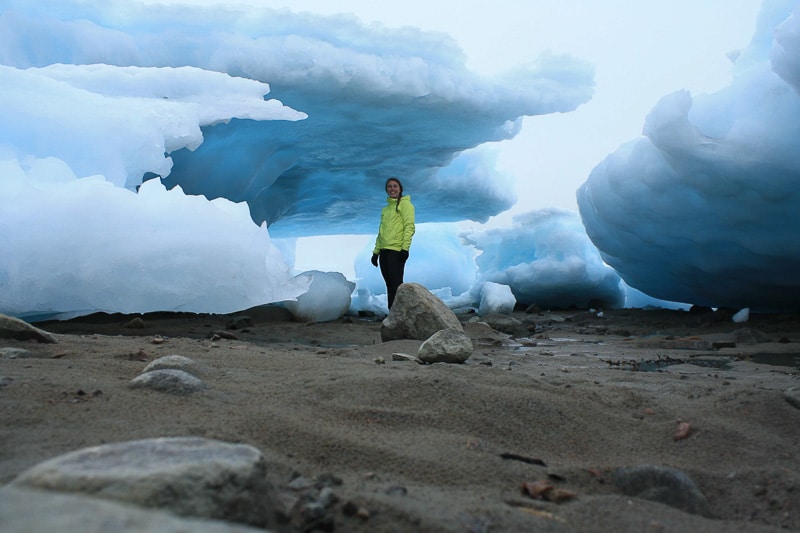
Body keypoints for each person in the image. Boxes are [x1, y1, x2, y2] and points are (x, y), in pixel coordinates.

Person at [371, 177, 415, 309]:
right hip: (384, 252)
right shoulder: (386, 209)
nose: (392, 189)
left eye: (395, 186)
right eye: (389, 186)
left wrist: (405, 249)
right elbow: (381, 232)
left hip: (396, 251)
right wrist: (376, 252)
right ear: (386, 190)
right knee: (390, 286)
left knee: (396, 285)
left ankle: (400, 314)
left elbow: (409, 227)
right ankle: (393, 314)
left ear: (400, 188)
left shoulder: (406, 205)